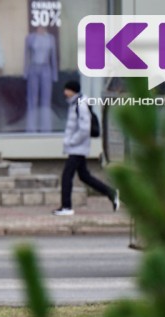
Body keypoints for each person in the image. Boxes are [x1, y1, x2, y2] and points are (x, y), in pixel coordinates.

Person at [53, 80, 119, 216]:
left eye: (67, 90)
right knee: (84, 176)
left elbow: (84, 129)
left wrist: (72, 141)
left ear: (73, 91)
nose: (65, 92)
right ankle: (111, 193)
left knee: (66, 176)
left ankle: (66, 207)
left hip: (77, 148)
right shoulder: (75, 104)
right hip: (76, 148)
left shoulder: (80, 104)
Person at [24, 26, 57, 133]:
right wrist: (25, 72)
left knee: (46, 100)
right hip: (33, 68)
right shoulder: (30, 38)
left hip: (46, 68)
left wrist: (54, 74)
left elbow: (53, 57)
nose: (40, 28)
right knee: (32, 99)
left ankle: (46, 128)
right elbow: (26, 56)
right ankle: (31, 128)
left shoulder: (50, 38)